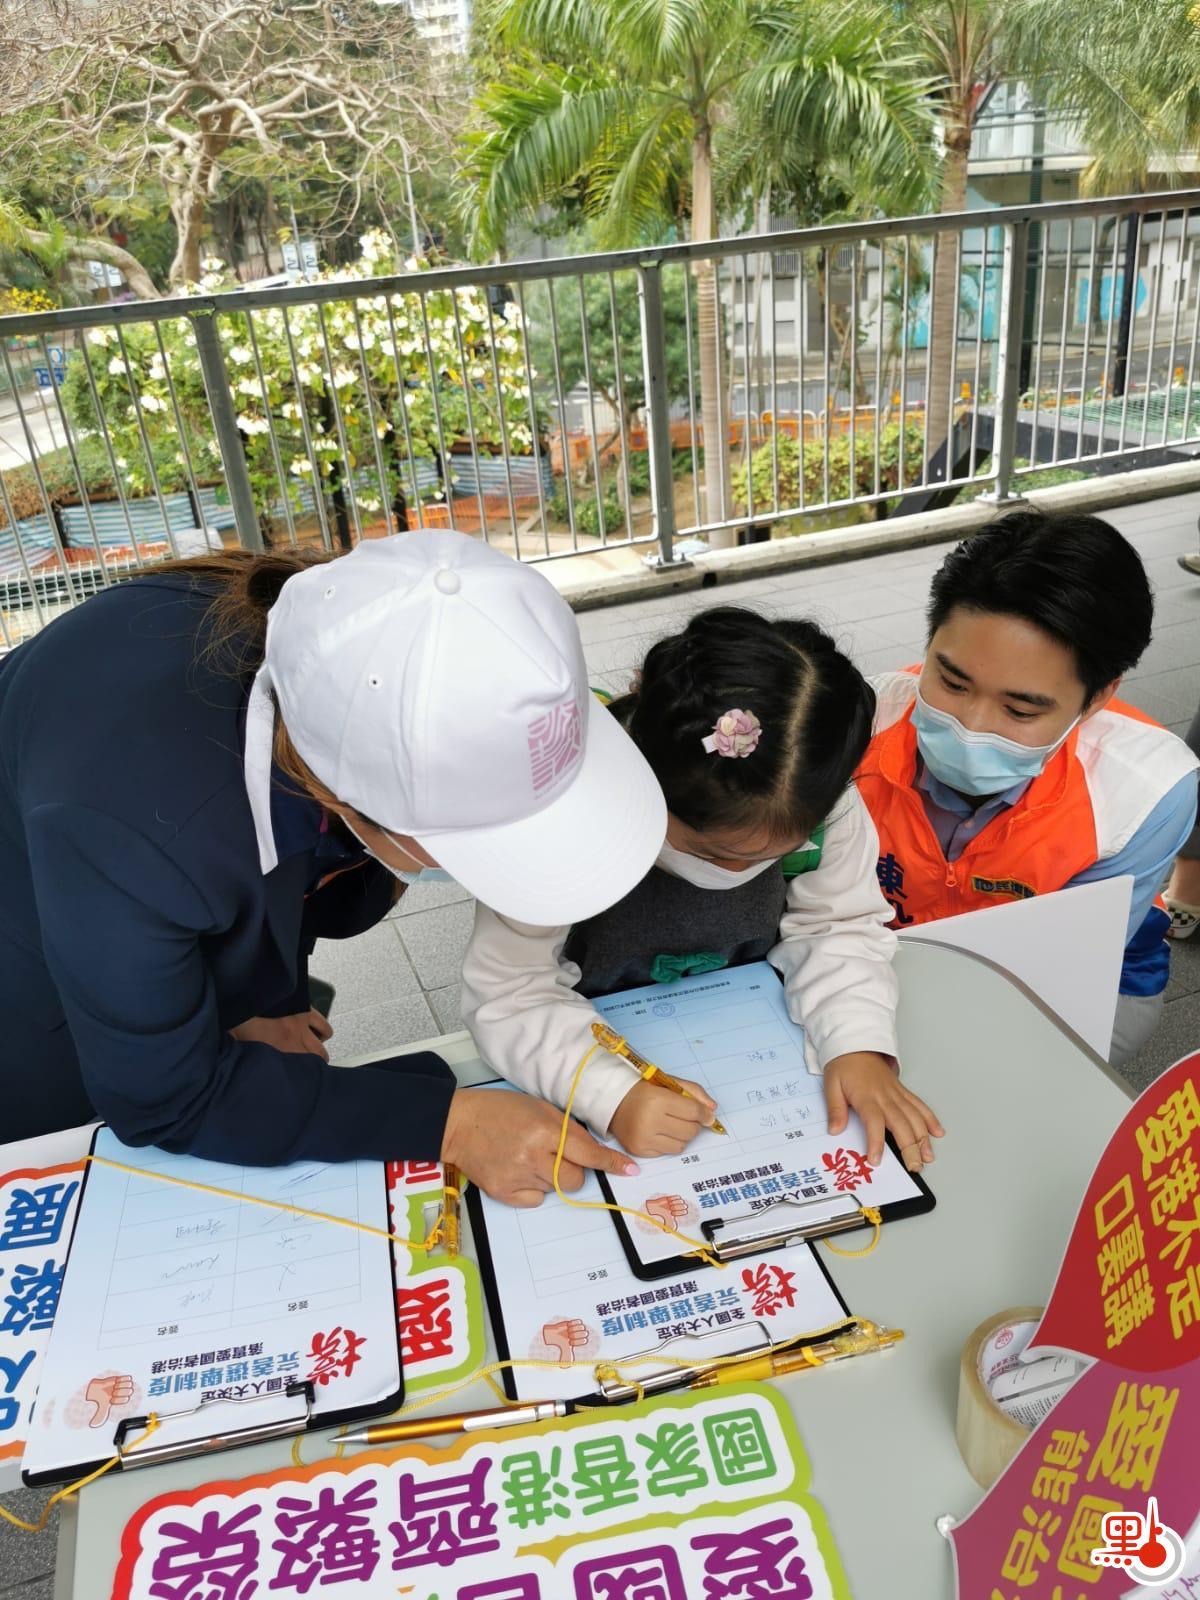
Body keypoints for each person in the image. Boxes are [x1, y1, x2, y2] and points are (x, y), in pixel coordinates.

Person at [0, 530, 667, 1205]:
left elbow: (294, 844)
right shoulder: (137, 832)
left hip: (122, 851)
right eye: (480, 841)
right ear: (342, 797)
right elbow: (163, 1099)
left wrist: (273, 997)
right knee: (67, 1165)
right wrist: (452, 1124)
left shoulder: (344, 649)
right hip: (25, 954)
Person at [462, 607, 943, 1174]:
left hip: (738, 1026)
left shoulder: (824, 806)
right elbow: (510, 992)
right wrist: (608, 1094)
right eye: (711, 854)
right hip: (583, 1031)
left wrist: (856, 1041)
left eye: (771, 857)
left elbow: (835, 927)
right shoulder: (562, 815)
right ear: (644, 781)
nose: (736, 872)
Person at [858, 509, 1200, 1065]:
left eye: (1019, 709)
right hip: (872, 955)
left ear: (1096, 698)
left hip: (1066, 986)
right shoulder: (857, 725)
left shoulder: (1148, 790)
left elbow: (1060, 973)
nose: (970, 725)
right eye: (950, 680)